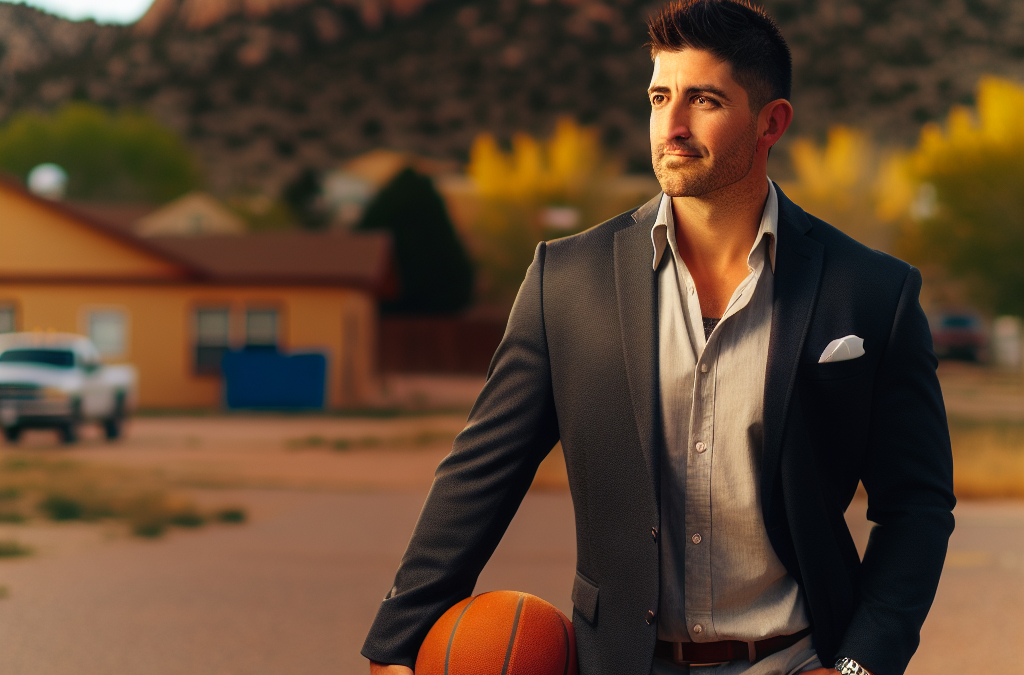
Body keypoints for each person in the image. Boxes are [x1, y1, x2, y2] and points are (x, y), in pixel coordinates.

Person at [362, 1, 955, 673]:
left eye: (704, 100)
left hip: (796, 656)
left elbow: (917, 503)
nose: (671, 126)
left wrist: (859, 667)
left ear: (772, 122)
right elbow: (482, 472)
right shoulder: (567, 279)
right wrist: (396, 641)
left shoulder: (872, 291)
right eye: (659, 96)